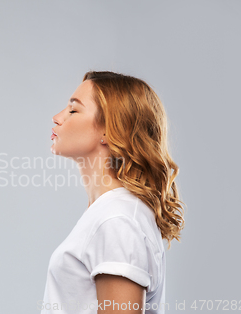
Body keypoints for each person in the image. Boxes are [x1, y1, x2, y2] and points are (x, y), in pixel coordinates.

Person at [41, 71, 184, 314]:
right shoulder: (109, 213)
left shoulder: (117, 220)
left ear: (110, 130)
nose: (57, 118)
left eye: (73, 110)